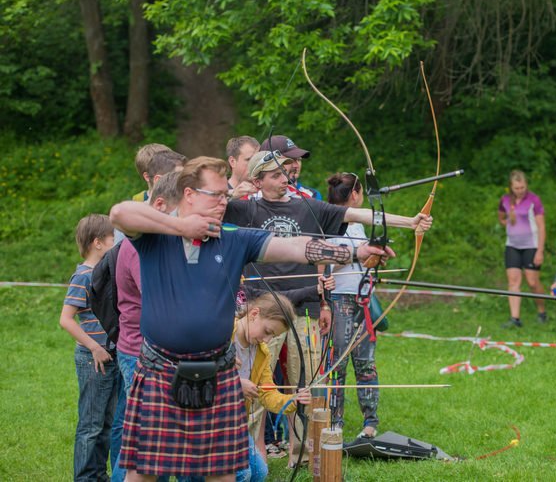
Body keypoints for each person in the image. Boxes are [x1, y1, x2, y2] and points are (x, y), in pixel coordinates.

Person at [110, 156, 391, 481]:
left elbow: (296, 246)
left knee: (224, 475)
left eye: (224, 196)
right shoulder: (155, 235)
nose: (222, 202)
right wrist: (181, 227)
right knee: (142, 474)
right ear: (189, 194)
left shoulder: (233, 237)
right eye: (215, 194)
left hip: (217, 371)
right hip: (161, 371)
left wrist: (355, 252)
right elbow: (119, 214)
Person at [223, 151, 432, 466]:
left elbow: (356, 215)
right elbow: (198, 209)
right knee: (253, 389)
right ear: (258, 180)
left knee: (306, 384)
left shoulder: (306, 205)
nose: (285, 179)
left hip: (303, 309)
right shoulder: (245, 209)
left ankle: (302, 455)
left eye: (285, 174)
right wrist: (230, 192)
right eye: (276, 175)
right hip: (260, 311)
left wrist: (410, 222)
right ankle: (253, 459)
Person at [111, 172, 184, 482]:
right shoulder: (144, 245)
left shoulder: (164, 241)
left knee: (152, 439)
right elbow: (162, 296)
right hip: (141, 349)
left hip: (157, 349)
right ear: (161, 205)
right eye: (183, 210)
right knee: (143, 441)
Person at [59, 214, 120, 482]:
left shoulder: (104, 272)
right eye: (112, 239)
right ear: (98, 243)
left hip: (111, 357)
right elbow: (65, 319)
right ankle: (85, 478)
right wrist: (94, 347)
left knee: (106, 423)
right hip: (93, 359)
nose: (116, 243)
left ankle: (98, 474)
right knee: (91, 425)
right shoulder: (83, 275)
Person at [325, 172, 381, 443]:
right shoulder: (329, 222)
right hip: (339, 300)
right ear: (355, 194)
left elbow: (366, 260)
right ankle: (335, 422)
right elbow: (323, 266)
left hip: (363, 299)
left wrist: (371, 260)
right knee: (338, 364)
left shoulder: (359, 224)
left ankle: (370, 423)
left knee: (366, 364)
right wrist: (354, 256)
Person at [234, 293, 312, 481]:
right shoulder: (223, 334)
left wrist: (293, 401)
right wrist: (235, 385)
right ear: (254, 314)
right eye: (267, 331)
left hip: (234, 423)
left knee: (259, 472)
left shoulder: (262, 352)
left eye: (274, 336)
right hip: (207, 423)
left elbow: (268, 394)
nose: (267, 340)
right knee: (242, 474)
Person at [498, 170, 547, 327]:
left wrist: (540, 250)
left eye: (523, 187)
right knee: (513, 282)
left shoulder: (534, 200)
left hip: (531, 246)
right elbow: (501, 216)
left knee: (532, 282)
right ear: (511, 187)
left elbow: (541, 226)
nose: (520, 190)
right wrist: (506, 221)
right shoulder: (505, 200)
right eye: (517, 188)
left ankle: (541, 310)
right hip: (512, 245)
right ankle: (515, 318)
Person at [259, 135, 322, 199]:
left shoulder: (312, 195)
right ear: (269, 163)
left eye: (299, 160)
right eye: (289, 160)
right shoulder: (252, 196)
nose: (296, 165)